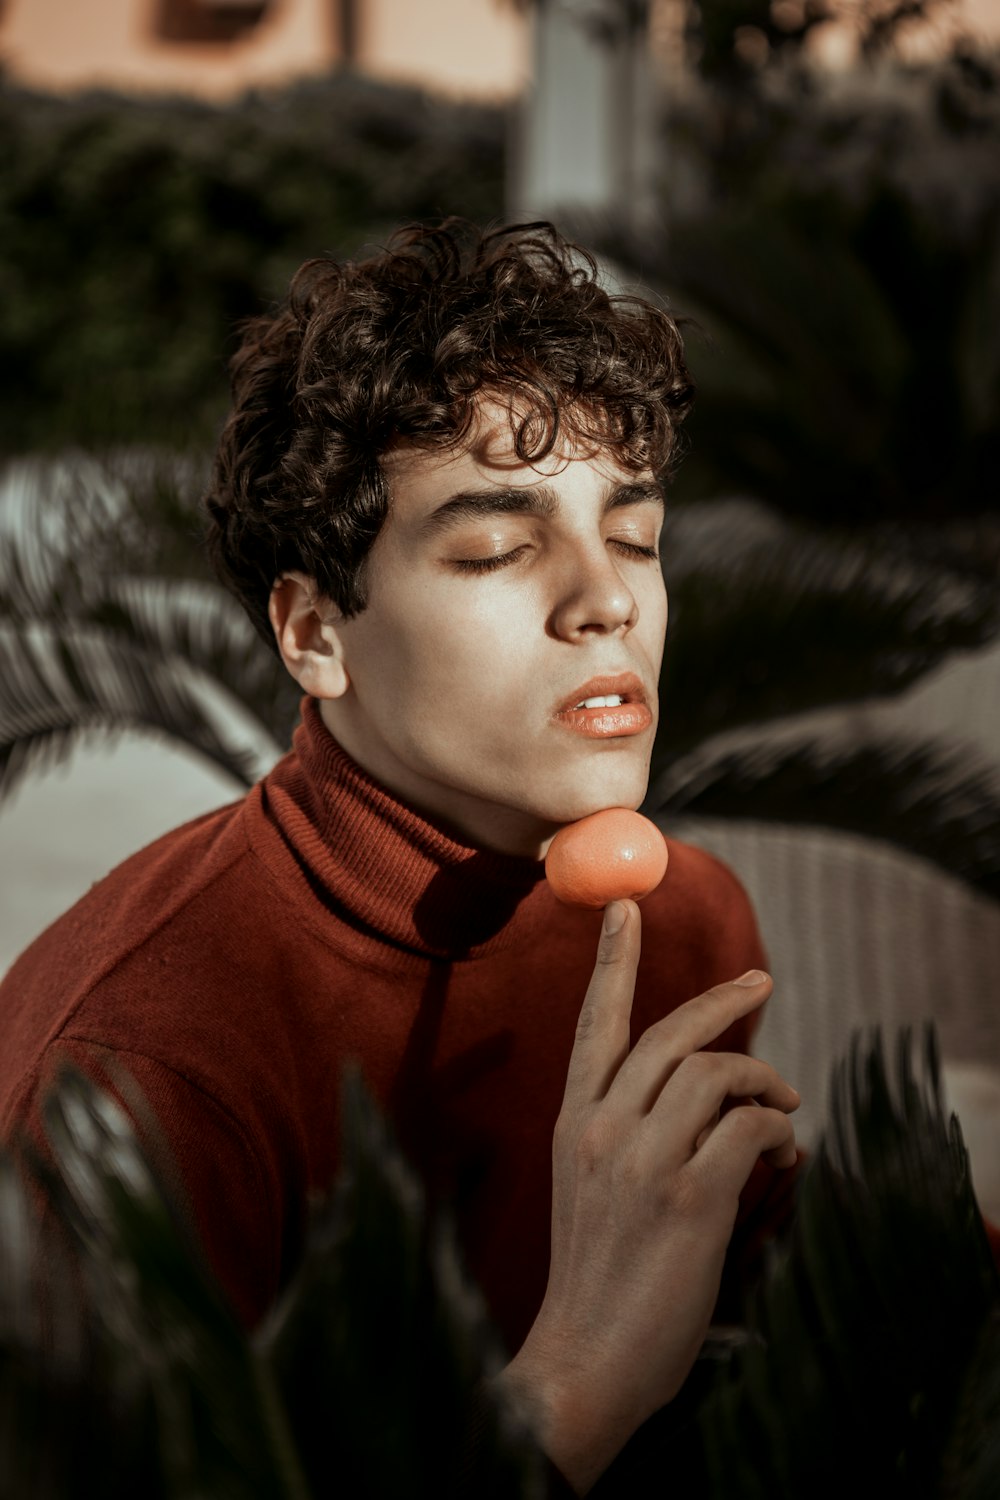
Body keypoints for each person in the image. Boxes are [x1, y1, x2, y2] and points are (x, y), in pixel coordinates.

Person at [0, 221, 799, 1493]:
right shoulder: (142, 1074)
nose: (606, 598)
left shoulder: (680, 925)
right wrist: (574, 1380)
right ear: (316, 634)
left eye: (635, 536)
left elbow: (814, 1301)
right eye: (495, 548)